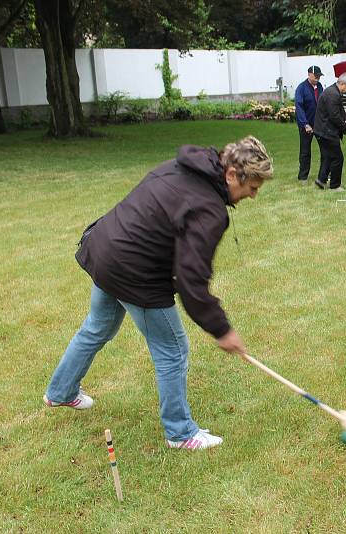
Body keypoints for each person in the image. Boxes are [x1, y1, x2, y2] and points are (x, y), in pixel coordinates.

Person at [43, 136, 274, 450]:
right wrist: (221, 329)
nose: (253, 195)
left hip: (105, 247)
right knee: (173, 349)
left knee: (97, 326)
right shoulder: (209, 210)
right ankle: (180, 434)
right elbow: (190, 279)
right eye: (253, 188)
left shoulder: (185, 165)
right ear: (232, 175)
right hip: (132, 269)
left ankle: (61, 392)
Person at [313, 72, 346, 191]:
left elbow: (340, 109)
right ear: (342, 84)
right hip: (327, 131)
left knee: (327, 157)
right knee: (337, 158)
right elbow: (334, 117)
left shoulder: (335, 92)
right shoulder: (333, 94)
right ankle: (335, 186)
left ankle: (321, 180)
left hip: (322, 130)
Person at [295, 65, 324, 184]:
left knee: (325, 149)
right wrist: (305, 124)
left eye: (319, 76)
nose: (317, 78)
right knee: (305, 151)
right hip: (306, 124)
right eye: (315, 76)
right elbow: (299, 107)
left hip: (319, 123)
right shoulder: (301, 88)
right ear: (309, 74)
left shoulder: (320, 86)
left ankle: (324, 174)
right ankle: (303, 177)